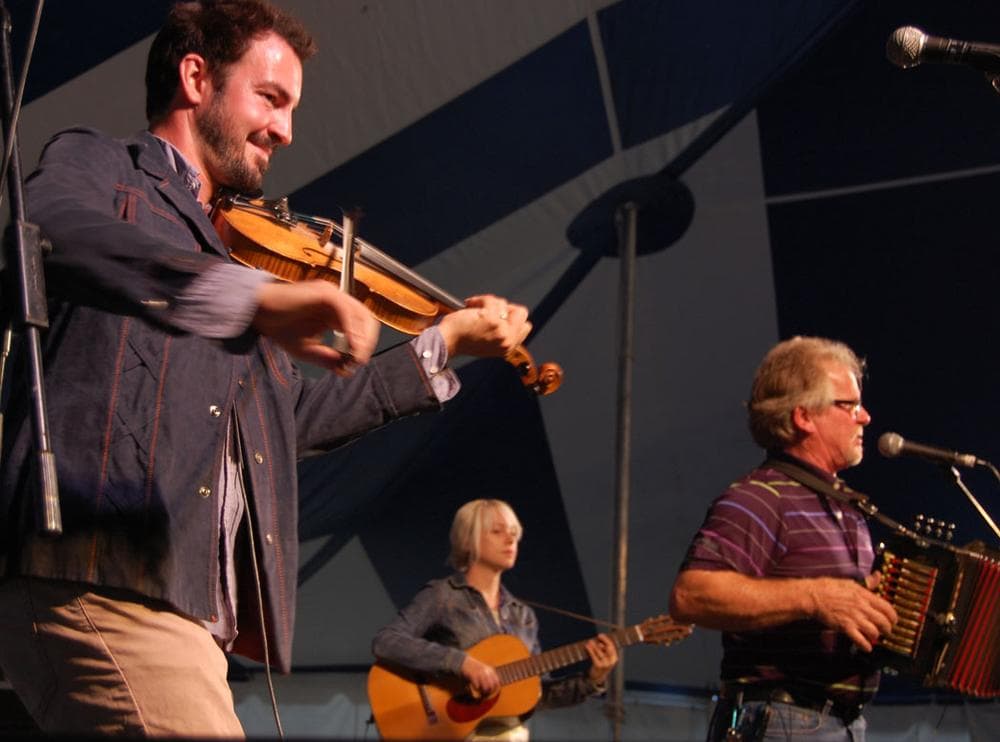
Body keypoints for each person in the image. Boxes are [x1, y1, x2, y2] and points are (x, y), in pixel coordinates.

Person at [0, 1, 534, 737]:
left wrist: (442, 344)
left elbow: (290, 423)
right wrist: (245, 297)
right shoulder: (106, 169)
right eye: (270, 98)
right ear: (196, 79)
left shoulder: (241, 257)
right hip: (101, 574)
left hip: (182, 605)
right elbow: (50, 227)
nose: (286, 130)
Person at [669, 337, 899, 741]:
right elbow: (691, 595)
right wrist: (816, 597)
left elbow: (838, 608)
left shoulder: (846, 508)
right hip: (783, 721)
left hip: (841, 724)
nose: (865, 417)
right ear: (804, 416)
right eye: (850, 405)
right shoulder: (760, 497)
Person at [371, 499, 619, 741]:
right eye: (497, 531)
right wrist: (461, 663)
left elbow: (537, 695)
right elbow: (386, 641)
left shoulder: (523, 616)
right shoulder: (442, 595)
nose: (510, 540)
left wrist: (593, 679)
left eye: (514, 533)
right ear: (468, 540)